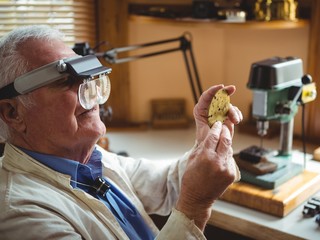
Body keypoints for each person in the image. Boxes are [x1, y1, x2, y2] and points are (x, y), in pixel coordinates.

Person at [0, 25, 243, 240]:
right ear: (12, 113)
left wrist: (207, 140)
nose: (91, 94)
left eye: (88, 77)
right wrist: (195, 207)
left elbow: (167, 184)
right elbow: (189, 195)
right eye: (64, 81)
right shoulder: (20, 214)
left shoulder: (89, 160)